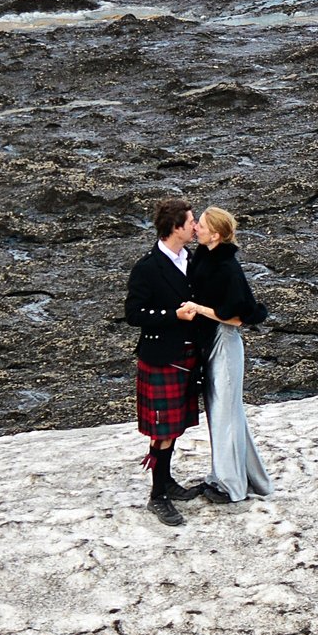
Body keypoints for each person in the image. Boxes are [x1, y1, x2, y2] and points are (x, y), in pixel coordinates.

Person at [123, 197, 205, 525]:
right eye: (191, 222)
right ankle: (158, 496)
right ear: (175, 228)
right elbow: (133, 314)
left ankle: (167, 481)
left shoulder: (193, 259)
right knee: (164, 431)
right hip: (162, 358)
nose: (196, 226)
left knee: (175, 428)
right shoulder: (148, 267)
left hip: (189, 356)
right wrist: (173, 315)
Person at [186, 206, 271, 502]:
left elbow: (236, 316)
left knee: (225, 414)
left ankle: (231, 486)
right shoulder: (205, 258)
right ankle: (245, 478)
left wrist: (198, 309)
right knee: (224, 413)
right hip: (211, 343)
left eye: (201, 225)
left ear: (216, 234)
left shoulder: (226, 267)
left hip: (225, 343)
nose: (195, 228)